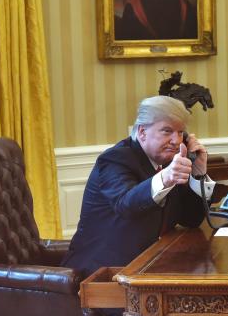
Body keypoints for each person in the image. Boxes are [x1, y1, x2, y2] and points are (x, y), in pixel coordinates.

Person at [62, 95, 213, 278]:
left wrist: (198, 174)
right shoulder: (115, 160)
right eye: (167, 131)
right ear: (142, 132)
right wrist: (165, 179)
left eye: (181, 132)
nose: (176, 141)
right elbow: (126, 204)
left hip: (149, 267)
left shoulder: (168, 161)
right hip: (102, 274)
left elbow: (191, 219)